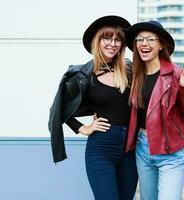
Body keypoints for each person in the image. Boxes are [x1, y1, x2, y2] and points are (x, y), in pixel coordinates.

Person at [48, 15, 138, 200]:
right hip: (101, 149)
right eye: (107, 37)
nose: (112, 43)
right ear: (98, 41)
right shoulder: (82, 75)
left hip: (131, 149)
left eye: (118, 39)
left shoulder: (130, 70)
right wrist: (83, 128)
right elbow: (58, 109)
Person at [125, 20, 184, 200]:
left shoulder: (176, 74)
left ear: (160, 45)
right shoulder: (135, 75)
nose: (144, 43)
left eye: (150, 39)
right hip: (143, 148)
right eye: (139, 39)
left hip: (171, 152)